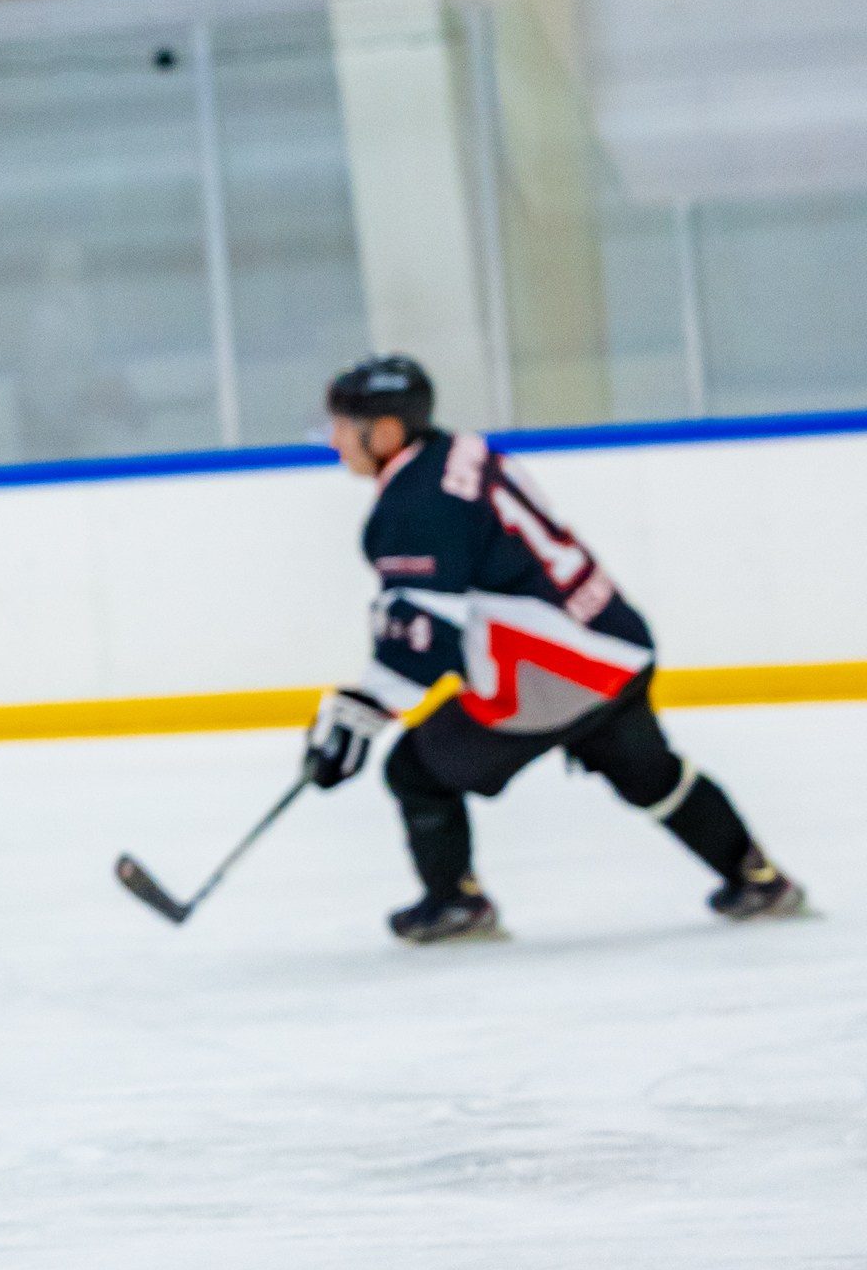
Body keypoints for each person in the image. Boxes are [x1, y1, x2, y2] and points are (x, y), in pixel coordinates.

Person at [304, 352, 804, 944]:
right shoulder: (463, 452)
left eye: (341, 426)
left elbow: (423, 637)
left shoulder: (413, 505)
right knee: (651, 775)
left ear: (384, 432)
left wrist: (362, 712)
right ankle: (757, 877)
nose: (333, 440)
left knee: (415, 768)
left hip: (548, 673)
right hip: (610, 641)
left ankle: (455, 904)